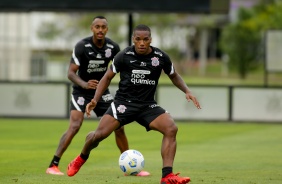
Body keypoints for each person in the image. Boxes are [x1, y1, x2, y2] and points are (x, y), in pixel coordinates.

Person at [66, 24, 201, 184]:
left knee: (171, 128)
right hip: (123, 104)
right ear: (133, 40)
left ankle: (167, 176)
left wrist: (187, 90)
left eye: (145, 39)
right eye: (138, 39)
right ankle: (81, 158)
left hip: (147, 106)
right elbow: (107, 78)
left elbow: (174, 75)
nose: (142, 43)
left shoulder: (160, 57)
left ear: (151, 39)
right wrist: (95, 99)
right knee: (98, 136)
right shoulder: (124, 55)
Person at [46, 16, 150, 177]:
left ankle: (131, 168)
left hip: (101, 93)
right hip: (81, 92)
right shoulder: (82, 46)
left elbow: (123, 66)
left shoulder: (112, 47)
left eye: (103, 27)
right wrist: (84, 84)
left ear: (107, 29)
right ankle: (53, 165)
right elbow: (70, 73)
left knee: (119, 127)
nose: (100, 30)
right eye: (97, 27)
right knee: (75, 126)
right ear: (92, 28)